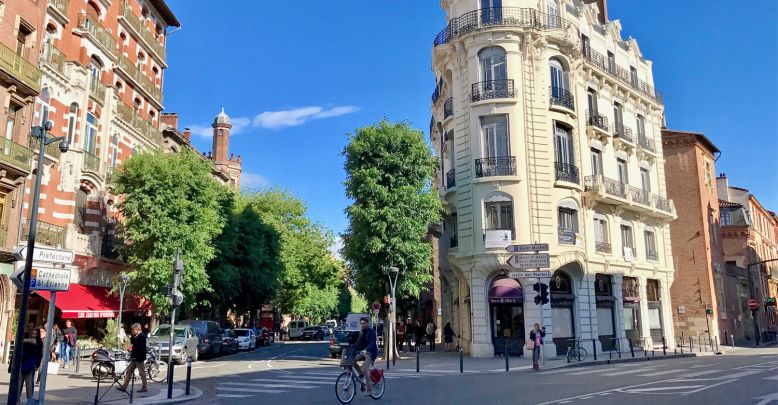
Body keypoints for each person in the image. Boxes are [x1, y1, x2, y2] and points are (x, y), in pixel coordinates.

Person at [117, 323, 147, 393]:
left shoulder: (142, 336)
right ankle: (124, 387)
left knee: (141, 372)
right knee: (129, 371)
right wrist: (133, 336)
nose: (132, 331)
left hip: (139, 358)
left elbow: (142, 349)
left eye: (133, 330)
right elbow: (132, 343)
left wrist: (138, 357)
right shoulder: (136, 336)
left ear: (137, 329)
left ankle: (144, 387)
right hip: (134, 358)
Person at [353, 317, 377, 396]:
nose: (362, 325)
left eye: (364, 323)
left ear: (367, 323)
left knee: (364, 369)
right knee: (352, 360)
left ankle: (370, 390)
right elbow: (357, 343)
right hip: (363, 352)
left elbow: (372, 343)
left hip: (371, 353)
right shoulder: (362, 332)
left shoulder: (372, 332)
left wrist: (366, 350)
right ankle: (361, 374)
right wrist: (352, 351)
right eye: (361, 323)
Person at [19, 328, 43, 400]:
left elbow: (39, 355)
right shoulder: (27, 342)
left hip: (31, 365)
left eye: (35, 334)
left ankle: (30, 399)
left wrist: (37, 365)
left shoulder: (38, 343)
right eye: (32, 333)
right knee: (19, 383)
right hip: (23, 363)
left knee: (29, 384)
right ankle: (17, 398)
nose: (33, 335)